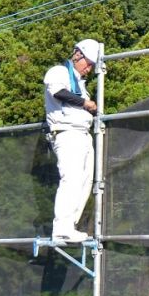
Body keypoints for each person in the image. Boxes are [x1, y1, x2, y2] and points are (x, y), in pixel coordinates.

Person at [44, 40, 101, 244]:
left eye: (93, 65)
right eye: (88, 62)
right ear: (77, 55)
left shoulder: (81, 84)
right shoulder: (59, 71)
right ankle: (61, 228)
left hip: (82, 134)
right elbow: (57, 92)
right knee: (72, 179)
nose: (89, 68)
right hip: (67, 133)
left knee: (85, 182)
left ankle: (70, 226)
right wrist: (85, 103)